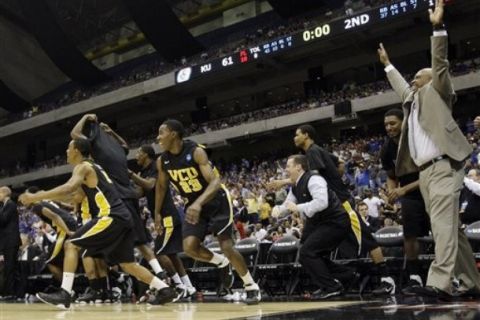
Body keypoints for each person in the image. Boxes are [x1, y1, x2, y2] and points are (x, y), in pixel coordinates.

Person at [378, 0, 480, 298]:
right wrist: (387, 65)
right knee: (450, 229)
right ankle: (473, 282)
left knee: (440, 225)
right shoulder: (412, 102)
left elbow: (440, 63)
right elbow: (401, 88)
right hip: (425, 173)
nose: (413, 80)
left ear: (431, 80)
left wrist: (437, 28)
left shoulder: (439, 92)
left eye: (418, 77)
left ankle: (438, 282)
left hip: (444, 166)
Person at [19, 139, 175, 309]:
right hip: (122, 217)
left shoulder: (83, 166)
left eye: (68, 148)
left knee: (71, 245)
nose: (66, 151)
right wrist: (45, 195)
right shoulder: (92, 167)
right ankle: (165, 289)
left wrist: (36, 197)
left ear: (77, 150)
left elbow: (69, 188)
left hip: (111, 215)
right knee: (127, 264)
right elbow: (75, 197)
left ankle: (65, 292)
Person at [268, 124, 396, 295]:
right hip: (328, 207)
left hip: (340, 204)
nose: (294, 138)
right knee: (308, 249)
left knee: (366, 238)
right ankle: (341, 278)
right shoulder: (318, 150)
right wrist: (335, 178)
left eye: (297, 134)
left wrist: (283, 182)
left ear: (306, 135)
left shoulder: (312, 152)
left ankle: (387, 279)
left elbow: (310, 178)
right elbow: (340, 164)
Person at [154, 119, 260, 304]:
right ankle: (222, 263)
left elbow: (215, 182)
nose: (158, 137)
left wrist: (198, 204)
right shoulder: (163, 161)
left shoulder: (196, 151)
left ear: (173, 134)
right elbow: (161, 187)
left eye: (161, 133)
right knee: (189, 248)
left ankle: (251, 287)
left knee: (226, 245)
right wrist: (157, 213)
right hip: (194, 205)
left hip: (216, 201)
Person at [71, 115, 166, 280]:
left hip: (118, 201)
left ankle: (155, 276)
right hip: (128, 198)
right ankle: (154, 275)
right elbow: (125, 146)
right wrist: (112, 132)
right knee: (134, 243)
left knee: (126, 244)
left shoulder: (98, 151)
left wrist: (85, 117)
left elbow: (74, 133)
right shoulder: (118, 150)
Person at [273, 155, 354, 299]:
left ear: (299, 167)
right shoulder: (296, 186)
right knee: (306, 255)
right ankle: (348, 275)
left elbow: (322, 203)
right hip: (319, 223)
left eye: (288, 166)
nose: (286, 170)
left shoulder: (314, 179)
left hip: (335, 221)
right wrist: (279, 210)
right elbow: (289, 204)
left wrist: (297, 207)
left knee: (307, 252)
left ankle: (332, 287)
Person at [130, 145, 196, 300]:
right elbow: (139, 193)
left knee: (159, 253)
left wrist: (131, 175)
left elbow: (150, 185)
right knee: (172, 255)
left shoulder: (155, 166)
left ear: (146, 155)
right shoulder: (144, 172)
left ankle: (179, 286)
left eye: (138, 153)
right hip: (161, 216)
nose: (136, 156)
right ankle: (189, 287)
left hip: (167, 215)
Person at [380, 108, 431, 294]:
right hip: (408, 195)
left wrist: (402, 189)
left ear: (403, 122)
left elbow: (428, 174)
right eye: (386, 124)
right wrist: (392, 191)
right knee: (409, 234)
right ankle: (415, 276)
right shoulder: (387, 148)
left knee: (442, 232)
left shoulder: (417, 140)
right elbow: (391, 175)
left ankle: (452, 274)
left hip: (431, 188)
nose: (389, 127)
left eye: (393, 123)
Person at [27, 187, 77, 283]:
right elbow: (67, 207)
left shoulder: (37, 206)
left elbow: (56, 216)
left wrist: (67, 231)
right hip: (72, 224)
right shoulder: (49, 201)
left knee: (50, 261)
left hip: (65, 229)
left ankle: (67, 290)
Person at [0, 186, 20, 300]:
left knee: (10, 267)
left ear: (4, 193)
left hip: (11, 241)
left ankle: (10, 293)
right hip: (7, 241)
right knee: (8, 268)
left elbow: (3, 219)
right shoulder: (4, 206)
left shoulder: (11, 204)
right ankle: (7, 292)